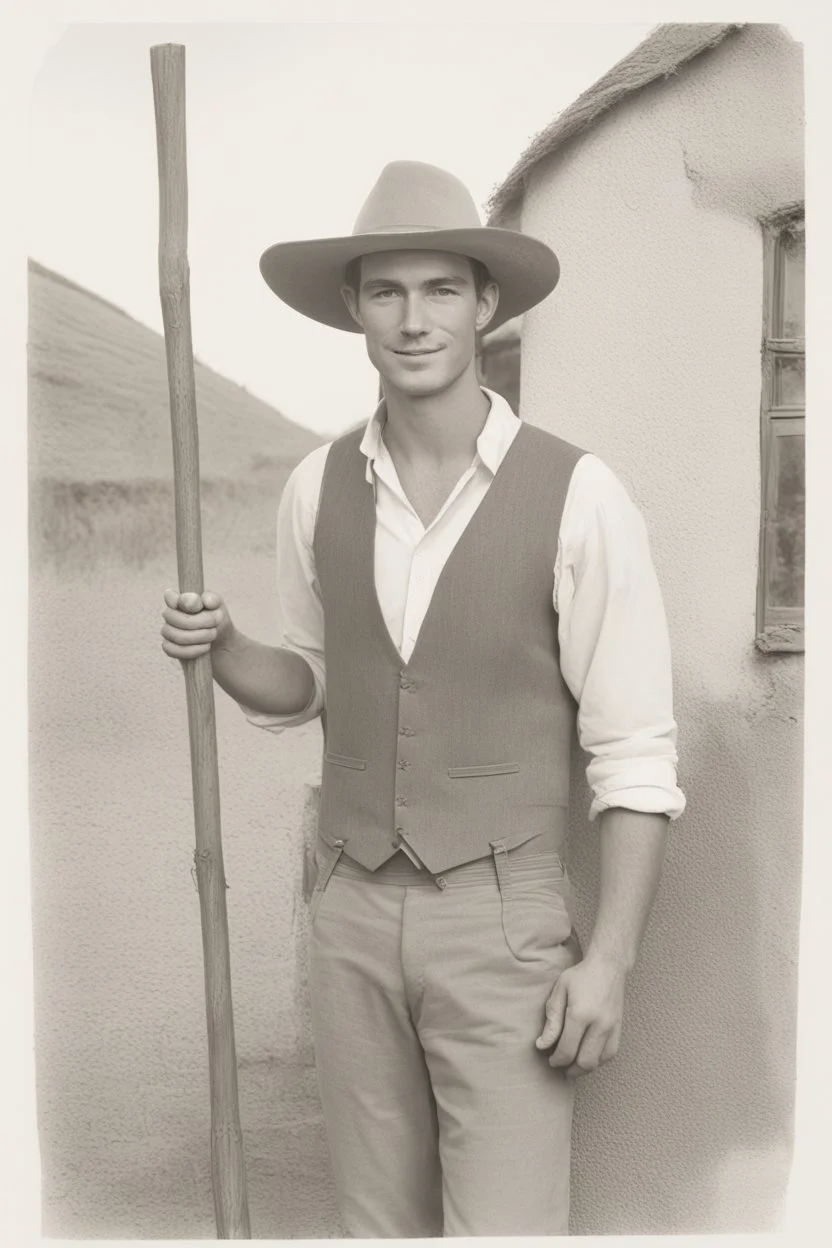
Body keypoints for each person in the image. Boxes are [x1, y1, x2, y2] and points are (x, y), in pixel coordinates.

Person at [160, 161, 685, 1237]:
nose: (413, 319)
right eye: (387, 292)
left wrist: (611, 962)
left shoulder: (579, 495)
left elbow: (632, 753)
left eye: (441, 289)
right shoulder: (316, 487)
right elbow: (314, 678)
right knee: (374, 1227)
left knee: (504, 1228)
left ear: (486, 305)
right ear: (354, 309)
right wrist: (223, 648)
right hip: (349, 904)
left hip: (504, 917)